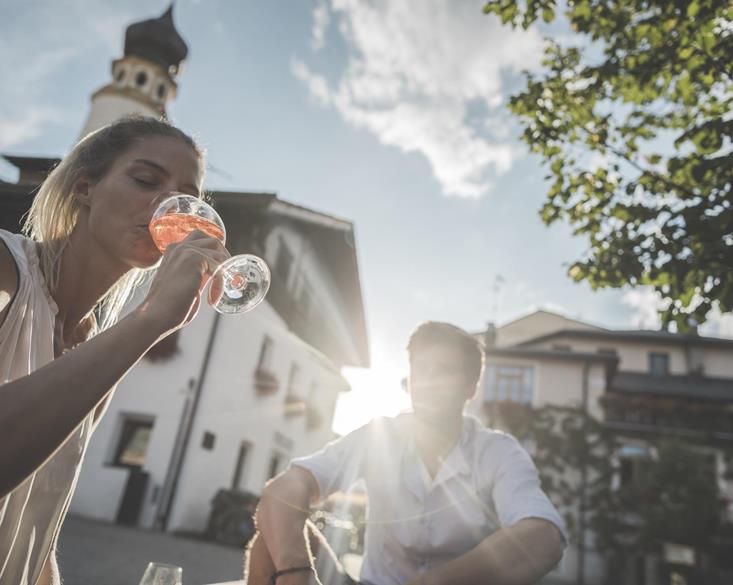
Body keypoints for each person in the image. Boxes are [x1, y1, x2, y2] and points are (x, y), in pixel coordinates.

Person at [0, 116, 229, 585]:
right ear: (85, 187)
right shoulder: (5, 272)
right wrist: (150, 320)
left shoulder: (92, 345)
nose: (170, 206)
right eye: (146, 180)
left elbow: (35, 531)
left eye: (188, 198)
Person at [247, 321, 567, 585]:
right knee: (271, 541)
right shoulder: (380, 434)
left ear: (470, 388)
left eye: (444, 371)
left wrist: (433, 582)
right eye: (422, 369)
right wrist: (296, 573)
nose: (428, 382)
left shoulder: (498, 452)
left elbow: (543, 538)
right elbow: (284, 490)